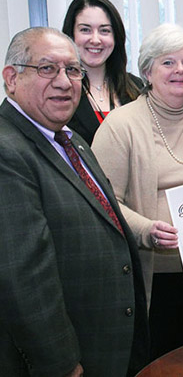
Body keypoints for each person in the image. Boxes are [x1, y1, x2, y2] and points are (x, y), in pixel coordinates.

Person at [0, 27, 148, 376]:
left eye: (73, 70)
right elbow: (25, 277)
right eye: (47, 68)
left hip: (105, 347)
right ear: (11, 78)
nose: (65, 82)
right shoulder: (7, 151)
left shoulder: (71, 140)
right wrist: (61, 364)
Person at [91, 24, 183, 360]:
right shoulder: (119, 126)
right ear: (147, 71)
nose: (180, 71)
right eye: (167, 63)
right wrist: (146, 230)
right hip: (152, 279)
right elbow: (101, 200)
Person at [61, 0, 142, 145]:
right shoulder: (60, 90)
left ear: (115, 37)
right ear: (71, 35)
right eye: (85, 30)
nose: (95, 39)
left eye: (104, 30)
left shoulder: (136, 87)